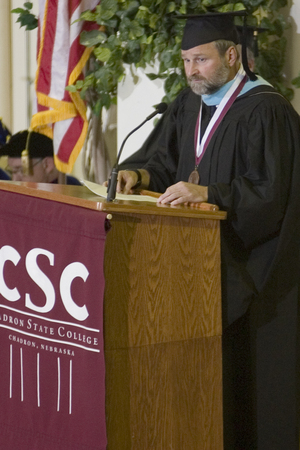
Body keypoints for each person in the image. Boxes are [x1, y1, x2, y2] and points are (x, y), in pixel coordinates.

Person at [112, 11, 300, 450]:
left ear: (232, 56)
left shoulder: (266, 110)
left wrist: (211, 193)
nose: (191, 71)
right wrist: (138, 177)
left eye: (201, 59)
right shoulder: (189, 104)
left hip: (252, 273)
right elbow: (163, 162)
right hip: (191, 270)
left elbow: (273, 194)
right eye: (186, 61)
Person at [0, 129, 81, 185]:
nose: (15, 180)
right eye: (12, 172)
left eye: (21, 170)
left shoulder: (71, 194)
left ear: (47, 164)